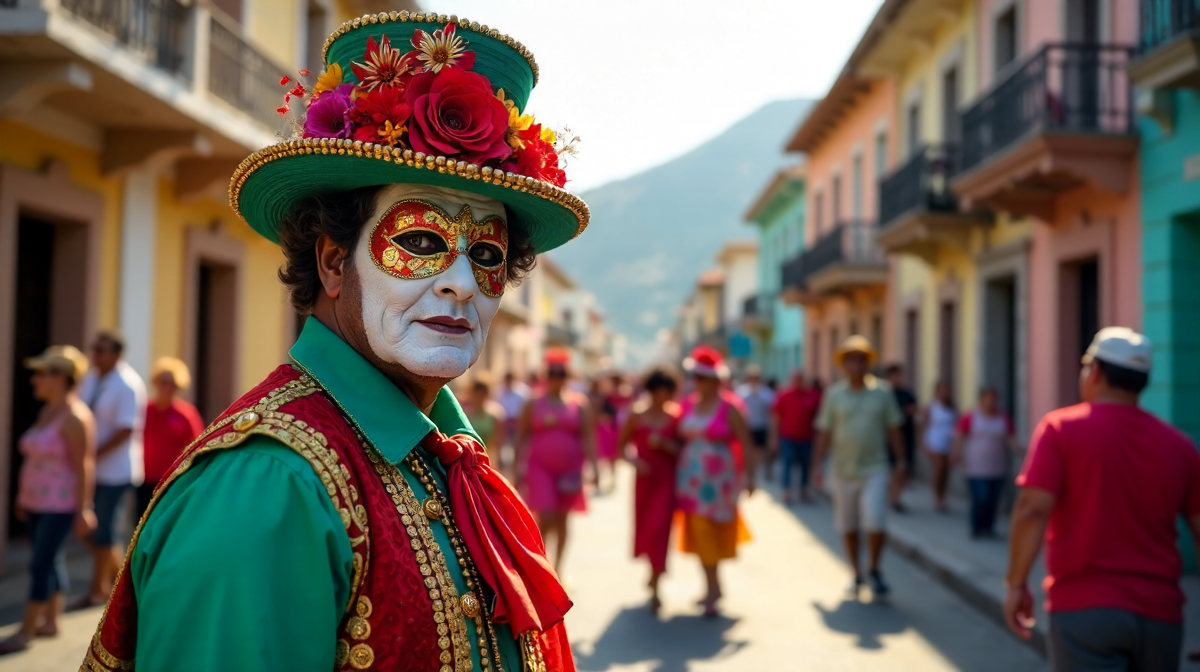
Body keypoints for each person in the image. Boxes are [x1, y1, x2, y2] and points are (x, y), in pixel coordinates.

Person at [82, 17, 583, 671]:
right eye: (423, 241)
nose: (462, 283)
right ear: (332, 262)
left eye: (485, 253)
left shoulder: (447, 456)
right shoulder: (269, 487)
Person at [1005, 328, 1200, 672]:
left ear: (1095, 372)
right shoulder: (1180, 446)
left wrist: (1016, 584)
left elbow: (1032, 510)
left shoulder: (1061, 429)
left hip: (1084, 614)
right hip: (1161, 617)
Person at [0, 346, 97, 654]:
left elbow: (85, 464)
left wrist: (84, 508)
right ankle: (52, 620)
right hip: (35, 502)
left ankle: (26, 629)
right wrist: (22, 496)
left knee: (41, 563)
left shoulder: (75, 417)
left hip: (59, 505)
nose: (35, 380)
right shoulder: (47, 412)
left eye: (41, 374)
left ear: (61, 377)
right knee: (51, 560)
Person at [812, 335, 906, 599]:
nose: (856, 364)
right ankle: (856, 572)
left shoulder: (883, 392)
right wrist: (816, 466)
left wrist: (901, 461)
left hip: (875, 467)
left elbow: (893, 428)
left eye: (861, 359)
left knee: (875, 521)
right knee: (848, 525)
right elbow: (824, 431)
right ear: (844, 364)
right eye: (851, 359)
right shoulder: (834, 395)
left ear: (868, 363)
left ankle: (874, 567)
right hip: (842, 469)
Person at [677, 346, 754, 617]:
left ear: (715, 380)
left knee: (715, 532)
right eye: (695, 377)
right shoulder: (687, 404)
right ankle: (711, 586)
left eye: (703, 377)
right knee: (699, 533)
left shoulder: (730, 407)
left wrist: (751, 477)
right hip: (691, 481)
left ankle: (713, 584)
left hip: (720, 483)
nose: (697, 382)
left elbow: (746, 443)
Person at [74, 330, 145, 610]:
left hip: (116, 471)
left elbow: (125, 430)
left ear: (116, 354)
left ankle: (98, 590)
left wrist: (91, 453)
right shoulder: (92, 378)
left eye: (102, 350)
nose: (96, 355)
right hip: (94, 468)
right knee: (90, 531)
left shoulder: (128, 384)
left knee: (104, 531)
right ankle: (120, 583)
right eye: (94, 349)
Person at [515, 349, 599, 576]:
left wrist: (595, 466)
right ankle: (542, 563)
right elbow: (521, 436)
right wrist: (516, 468)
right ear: (546, 375)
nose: (557, 378)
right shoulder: (533, 403)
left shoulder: (579, 404)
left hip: (570, 469)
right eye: (553, 373)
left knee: (563, 518)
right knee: (546, 515)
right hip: (540, 468)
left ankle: (558, 568)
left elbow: (588, 436)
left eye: (561, 373)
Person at [617, 367, 681, 613]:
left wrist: (665, 444)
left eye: (668, 393)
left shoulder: (676, 416)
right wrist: (635, 461)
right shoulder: (637, 414)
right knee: (646, 530)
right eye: (660, 392)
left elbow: (682, 452)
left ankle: (656, 583)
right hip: (644, 481)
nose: (664, 397)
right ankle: (652, 571)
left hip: (666, 481)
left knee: (661, 529)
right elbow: (622, 446)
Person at [137, 357, 203, 522]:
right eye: (163, 382)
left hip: (171, 481)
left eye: (172, 384)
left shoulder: (186, 414)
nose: (167, 387)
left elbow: (198, 447)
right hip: (143, 479)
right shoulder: (144, 410)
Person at [951, 386, 1016, 539]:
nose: (991, 402)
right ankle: (976, 527)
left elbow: (1011, 440)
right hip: (975, 467)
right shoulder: (971, 417)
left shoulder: (1003, 417)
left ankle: (988, 527)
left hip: (997, 467)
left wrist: (1026, 452)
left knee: (993, 500)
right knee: (981, 497)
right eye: (988, 398)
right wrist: (956, 454)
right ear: (981, 399)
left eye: (994, 398)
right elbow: (959, 436)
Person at [770, 370, 821, 503]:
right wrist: (774, 438)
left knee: (805, 464)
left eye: (800, 378)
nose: (798, 381)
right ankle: (787, 491)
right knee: (787, 463)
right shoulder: (784, 395)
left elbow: (819, 419)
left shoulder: (812, 396)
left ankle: (804, 490)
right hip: (788, 437)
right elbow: (776, 417)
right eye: (795, 379)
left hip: (807, 438)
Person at [884, 364, 917, 513]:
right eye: (893, 375)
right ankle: (892, 497)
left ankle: (897, 497)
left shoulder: (907, 393)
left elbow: (914, 409)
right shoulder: (885, 394)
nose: (896, 379)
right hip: (889, 436)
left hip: (906, 435)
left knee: (903, 468)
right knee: (892, 468)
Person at [919, 380, 956, 512]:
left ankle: (943, 496)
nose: (945, 392)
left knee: (946, 472)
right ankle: (936, 497)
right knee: (939, 469)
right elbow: (923, 425)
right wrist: (923, 443)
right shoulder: (931, 407)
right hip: (934, 441)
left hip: (948, 442)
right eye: (942, 389)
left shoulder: (952, 406)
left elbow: (956, 426)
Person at [735, 366, 775, 479]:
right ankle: (749, 471)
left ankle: (759, 471)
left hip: (762, 426)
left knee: (761, 452)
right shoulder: (741, 391)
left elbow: (771, 411)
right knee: (748, 450)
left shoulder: (766, 392)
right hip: (747, 427)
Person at [461, 375, 506, 469]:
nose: (479, 397)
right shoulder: (466, 415)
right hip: (471, 461)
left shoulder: (495, 415)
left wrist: (498, 460)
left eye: (482, 393)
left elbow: (499, 440)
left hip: (490, 459)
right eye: (476, 393)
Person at [497, 371, 530, 466]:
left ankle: (517, 463)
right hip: (504, 422)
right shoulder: (500, 391)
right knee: (504, 444)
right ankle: (505, 464)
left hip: (517, 421)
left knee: (517, 444)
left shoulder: (522, 391)